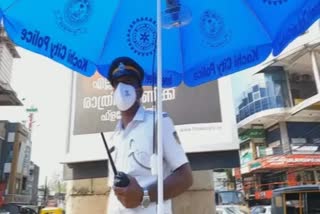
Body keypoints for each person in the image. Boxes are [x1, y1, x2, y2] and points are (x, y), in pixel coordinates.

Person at [106, 56, 193, 214]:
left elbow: (185, 177)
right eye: (116, 84)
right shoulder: (115, 136)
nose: (121, 89)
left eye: (127, 82)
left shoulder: (158, 122)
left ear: (139, 91)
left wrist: (143, 195)